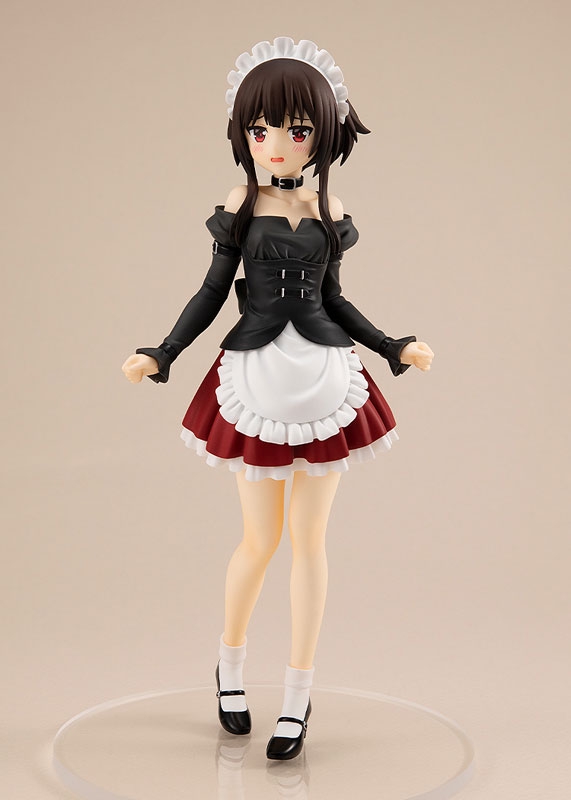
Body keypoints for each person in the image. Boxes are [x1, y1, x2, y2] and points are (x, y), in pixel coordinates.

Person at [122, 37, 434, 760]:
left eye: (296, 130)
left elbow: (334, 298)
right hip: (257, 373)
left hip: (322, 372)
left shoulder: (330, 207)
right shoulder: (240, 204)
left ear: (322, 133)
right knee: (259, 541)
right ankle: (229, 668)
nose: (277, 144)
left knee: (311, 543)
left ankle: (298, 694)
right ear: (243, 133)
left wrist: (389, 345)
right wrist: (164, 350)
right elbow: (211, 291)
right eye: (260, 129)